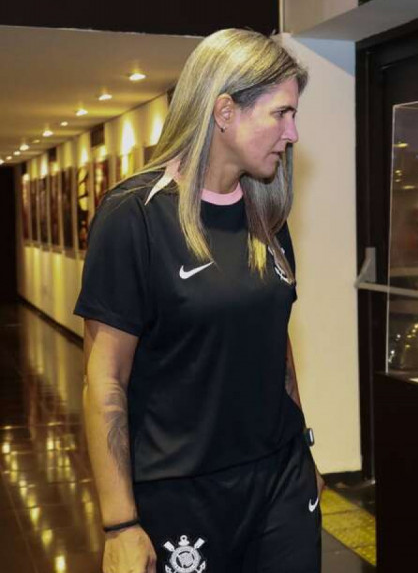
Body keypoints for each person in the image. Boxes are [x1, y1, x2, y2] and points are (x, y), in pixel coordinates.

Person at [76, 29, 322, 573]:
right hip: (182, 492)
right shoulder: (135, 216)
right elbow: (104, 378)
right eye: (280, 114)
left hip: (280, 478)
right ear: (225, 110)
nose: (293, 133)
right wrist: (120, 524)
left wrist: (303, 451)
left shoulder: (268, 218)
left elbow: (273, 341)